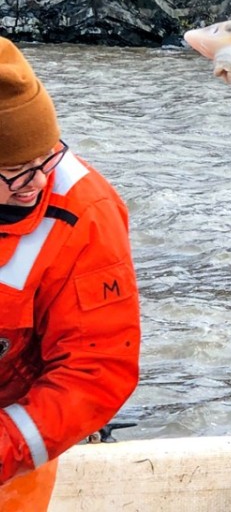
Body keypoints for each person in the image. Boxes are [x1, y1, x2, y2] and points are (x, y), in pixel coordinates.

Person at [0, 37, 140, 510]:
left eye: (46, 158)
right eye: (16, 171)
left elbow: (95, 370)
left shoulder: (85, 210)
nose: (37, 183)